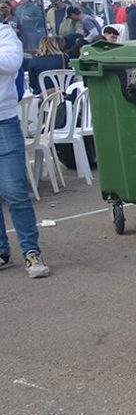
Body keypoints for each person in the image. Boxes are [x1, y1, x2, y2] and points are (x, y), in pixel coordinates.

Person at [0, 24, 51, 278]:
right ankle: (1, 251)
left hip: (3, 121)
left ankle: (31, 252)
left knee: (15, 193)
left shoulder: (5, 34)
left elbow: (10, 63)